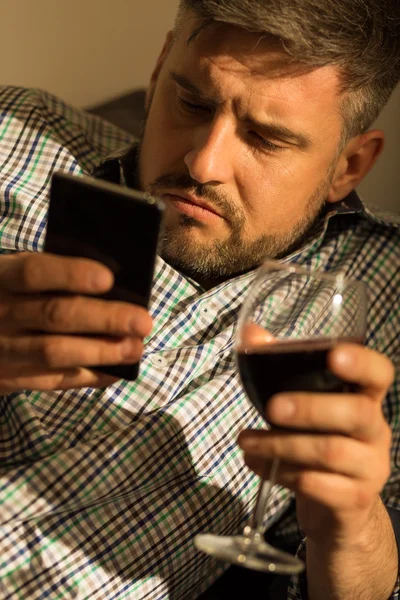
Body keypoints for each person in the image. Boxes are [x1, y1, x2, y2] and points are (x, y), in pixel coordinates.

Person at [0, 0, 399, 598]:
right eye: (191, 103)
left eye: (266, 139)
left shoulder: (386, 289)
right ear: (161, 66)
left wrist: (354, 528)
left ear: (348, 166)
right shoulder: (14, 135)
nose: (202, 162)